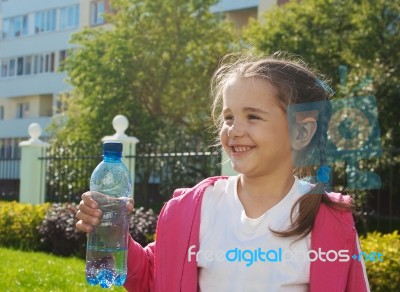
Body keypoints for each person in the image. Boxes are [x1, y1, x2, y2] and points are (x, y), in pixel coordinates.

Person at [76, 52, 370, 292]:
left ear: (302, 132)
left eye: (252, 116)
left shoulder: (331, 220)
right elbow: (154, 277)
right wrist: (114, 232)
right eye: (228, 117)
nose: (234, 130)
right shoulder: (190, 209)